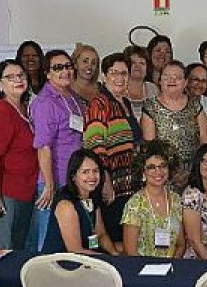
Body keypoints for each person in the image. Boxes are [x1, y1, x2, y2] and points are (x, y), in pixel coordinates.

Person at [28, 50, 84, 251]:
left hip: (72, 178)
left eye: (68, 66)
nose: (65, 71)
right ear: (47, 73)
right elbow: (43, 146)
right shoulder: (45, 103)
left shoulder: (73, 97)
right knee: (47, 238)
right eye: (58, 68)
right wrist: (49, 184)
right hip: (55, 180)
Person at [83, 53, 140, 253]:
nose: (119, 78)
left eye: (124, 73)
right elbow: (94, 145)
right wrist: (105, 180)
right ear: (104, 76)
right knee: (112, 240)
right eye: (114, 73)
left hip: (129, 184)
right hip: (112, 186)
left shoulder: (125, 103)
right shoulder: (99, 104)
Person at [0, 60, 38, 250]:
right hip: (5, 192)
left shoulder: (25, 108)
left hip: (24, 191)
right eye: (10, 77)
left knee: (18, 250)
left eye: (21, 75)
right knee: (1, 250)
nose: (18, 80)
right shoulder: (1, 110)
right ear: (0, 84)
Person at [141, 60, 207, 189]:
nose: (171, 80)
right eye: (167, 77)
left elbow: (206, 142)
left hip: (194, 175)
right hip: (162, 176)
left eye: (177, 77)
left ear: (185, 82)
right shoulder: (150, 107)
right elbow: (150, 148)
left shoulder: (195, 106)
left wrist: (192, 172)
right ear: (160, 81)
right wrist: (171, 173)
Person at [42, 149, 118, 254]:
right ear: (73, 176)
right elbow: (75, 250)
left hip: (86, 259)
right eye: (85, 172)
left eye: (95, 171)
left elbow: (101, 235)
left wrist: (116, 256)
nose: (92, 177)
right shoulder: (66, 205)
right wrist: (105, 259)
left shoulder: (92, 198)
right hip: (61, 264)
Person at [121, 140, 186, 258]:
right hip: (142, 270)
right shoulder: (135, 204)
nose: (158, 172)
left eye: (163, 166)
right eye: (152, 167)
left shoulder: (176, 199)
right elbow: (130, 253)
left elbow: (181, 245)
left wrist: (171, 266)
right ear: (143, 172)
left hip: (172, 268)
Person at [124, 45, 159, 121]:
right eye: (133, 63)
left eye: (142, 63)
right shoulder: (118, 88)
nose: (137, 66)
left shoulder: (153, 89)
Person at [186, 62, 207, 128]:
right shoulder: (174, 102)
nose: (200, 84)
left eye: (204, 81)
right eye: (196, 80)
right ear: (186, 80)